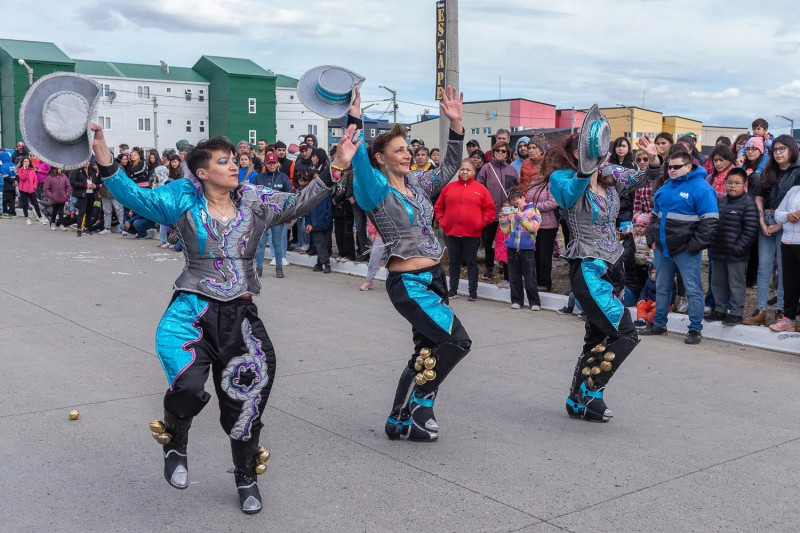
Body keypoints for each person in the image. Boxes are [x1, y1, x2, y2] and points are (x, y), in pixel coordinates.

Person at [91, 121, 343, 514]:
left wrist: (335, 168)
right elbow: (134, 196)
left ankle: (246, 476)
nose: (234, 166)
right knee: (188, 387)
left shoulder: (255, 200)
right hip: (191, 311)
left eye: (234, 160)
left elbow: (297, 202)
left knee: (247, 401)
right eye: (224, 161)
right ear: (203, 172)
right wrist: (105, 156)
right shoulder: (182, 200)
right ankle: (176, 442)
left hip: (241, 317)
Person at [337, 86, 469, 442]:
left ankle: (398, 419)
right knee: (456, 341)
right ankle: (419, 408)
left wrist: (456, 125)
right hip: (409, 284)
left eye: (408, 148)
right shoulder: (375, 190)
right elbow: (360, 162)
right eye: (399, 150)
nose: (408, 153)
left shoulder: (418, 184)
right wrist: (355, 117)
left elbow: (451, 167)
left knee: (427, 351)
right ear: (381, 158)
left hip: (434, 278)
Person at [548, 118, 663, 422]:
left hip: (615, 265)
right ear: (576, 154)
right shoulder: (561, 178)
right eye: (590, 150)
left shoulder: (612, 175)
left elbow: (646, 178)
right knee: (625, 332)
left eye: (601, 150)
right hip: (588, 267)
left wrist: (653, 158)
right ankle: (590, 392)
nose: (600, 155)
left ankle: (579, 400)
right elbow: (569, 196)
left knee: (597, 337)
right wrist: (587, 170)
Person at [640, 150, 719, 344]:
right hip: (662, 248)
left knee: (693, 290)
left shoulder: (702, 188)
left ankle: (695, 329)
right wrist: (652, 238)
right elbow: (654, 215)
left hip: (686, 251)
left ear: (689, 166)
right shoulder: (666, 186)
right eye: (670, 167)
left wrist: (693, 246)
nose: (672, 170)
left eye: (676, 167)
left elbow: (710, 222)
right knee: (662, 288)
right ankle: (659, 325)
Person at [746, 135, 800, 325]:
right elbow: (758, 196)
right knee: (764, 268)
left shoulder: (798, 172)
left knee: (785, 271)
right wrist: (761, 220)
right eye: (775, 150)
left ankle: (782, 310)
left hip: (788, 224)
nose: (778, 153)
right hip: (766, 221)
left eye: (782, 149)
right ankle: (760, 310)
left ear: (791, 149)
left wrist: (781, 223)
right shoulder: (769, 170)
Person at [434, 158, 495, 300]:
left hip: (472, 233)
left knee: (471, 262)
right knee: (454, 261)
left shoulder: (481, 189)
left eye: (468, 169)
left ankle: (472, 292)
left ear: (473, 171)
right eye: (462, 169)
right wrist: (442, 221)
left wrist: (482, 222)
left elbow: (490, 210)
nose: (464, 172)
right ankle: (453, 290)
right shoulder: (449, 188)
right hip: (451, 232)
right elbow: (438, 207)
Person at [704, 168, 759, 326]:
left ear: (745, 184)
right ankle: (720, 310)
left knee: (736, 283)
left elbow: (750, 230)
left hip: (736, 254)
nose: (732, 186)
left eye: (737, 183)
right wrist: (712, 243)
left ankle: (736, 312)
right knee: (718, 283)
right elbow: (713, 224)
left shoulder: (749, 204)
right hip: (718, 251)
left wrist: (738, 248)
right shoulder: (721, 202)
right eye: (730, 183)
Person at [476, 140, 519, 280]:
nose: (500, 153)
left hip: (508, 212)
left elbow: (516, 190)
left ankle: (505, 269)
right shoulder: (486, 168)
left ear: (507, 154)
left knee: (506, 241)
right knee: (489, 242)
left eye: (503, 151)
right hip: (491, 212)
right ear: (493, 152)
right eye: (498, 150)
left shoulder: (512, 169)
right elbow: (479, 189)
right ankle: (489, 267)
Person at [500, 188, 542, 310]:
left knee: (530, 277)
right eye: (513, 203)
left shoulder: (534, 210)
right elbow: (506, 230)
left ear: (523, 198)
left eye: (517, 202)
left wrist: (522, 216)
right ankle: (517, 300)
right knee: (514, 276)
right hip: (512, 248)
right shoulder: (512, 213)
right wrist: (503, 219)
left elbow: (534, 227)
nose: (515, 205)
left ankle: (534, 302)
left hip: (527, 248)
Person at [253, 153, 293, 278]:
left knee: (277, 242)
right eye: (269, 163)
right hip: (263, 216)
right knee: (261, 243)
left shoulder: (283, 178)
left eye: (274, 163)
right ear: (265, 164)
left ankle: (279, 268)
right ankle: (259, 268)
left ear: (277, 164)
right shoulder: (259, 178)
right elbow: (253, 196)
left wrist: (287, 215)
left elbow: (289, 197)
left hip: (277, 216)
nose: (272, 165)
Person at [524, 157, 559, 292]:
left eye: (542, 168)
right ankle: (536, 279)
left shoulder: (551, 183)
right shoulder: (534, 182)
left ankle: (545, 282)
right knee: (535, 253)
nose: (538, 170)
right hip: (533, 224)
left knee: (544, 255)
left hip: (547, 225)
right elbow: (527, 198)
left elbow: (553, 202)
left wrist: (534, 207)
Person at [770, 183, 800, 332]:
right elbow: (778, 214)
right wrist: (788, 216)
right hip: (788, 241)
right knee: (789, 283)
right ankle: (788, 319)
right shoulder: (794, 190)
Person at [306, 173, 334, 274]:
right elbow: (307, 210)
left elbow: (329, 208)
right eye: (313, 179)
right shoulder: (310, 194)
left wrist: (327, 221)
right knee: (319, 244)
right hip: (314, 223)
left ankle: (319, 262)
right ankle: (326, 264)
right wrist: (308, 223)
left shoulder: (326, 193)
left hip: (325, 223)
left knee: (325, 244)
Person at [68, 161, 98, 236]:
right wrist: (84, 185)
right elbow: (72, 181)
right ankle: (79, 228)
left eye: (88, 161)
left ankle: (87, 227)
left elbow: (98, 181)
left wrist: (95, 186)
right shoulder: (77, 170)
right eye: (85, 161)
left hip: (91, 193)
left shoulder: (92, 171)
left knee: (89, 212)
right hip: (82, 194)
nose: (86, 163)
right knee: (82, 211)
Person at [360, 217, 388, 291]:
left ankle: (391, 282)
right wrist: (371, 231)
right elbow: (372, 215)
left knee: (393, 259)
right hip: (380, 233)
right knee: (374, 256)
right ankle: (369, 280)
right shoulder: (378, 205)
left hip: (395, 234)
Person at [17, 156, 46, 225]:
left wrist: (34, 186)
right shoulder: (20, 169)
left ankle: (40, 218)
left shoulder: (32, 170)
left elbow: (35, 179)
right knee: (25, 204)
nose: (26, 163)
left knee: (35, 204)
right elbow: (23, 178)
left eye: (27, 161)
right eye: (25, 161)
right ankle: (27, 218)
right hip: (23, 189)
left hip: (31, 189)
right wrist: (24, 169)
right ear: (22, 162)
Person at [43, 166, 71, 230]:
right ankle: (53, 223)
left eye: (60, 168)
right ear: (54, 169)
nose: (59, 170)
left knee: (61, 211)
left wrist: (66, 195)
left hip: (62, 197)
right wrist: (51, 196)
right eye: (58, 169)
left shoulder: (64, 176)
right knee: (54, 211)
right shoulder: (49, 177)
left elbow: (68, 186)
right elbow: (46, 188)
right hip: (54, 198)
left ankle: (61, 224)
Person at [1, 150, 17, 218]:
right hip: (14, 184)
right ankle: (13, 211)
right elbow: (17, 174)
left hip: (7, 185)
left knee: (6, 199)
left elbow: (5, 177)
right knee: (12, 199)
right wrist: (15, 181)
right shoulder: (13, 164)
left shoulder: (3, 166)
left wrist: (12, 181)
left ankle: (8, 212)